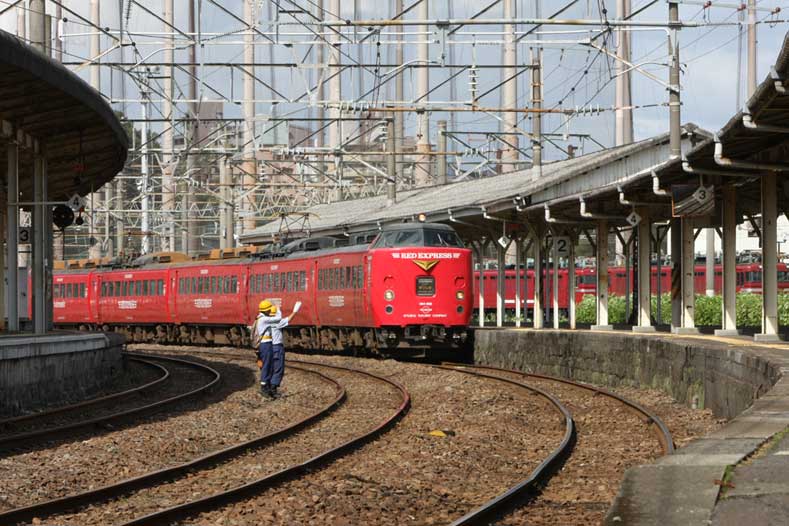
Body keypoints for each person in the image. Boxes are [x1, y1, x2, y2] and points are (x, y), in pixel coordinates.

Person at [251, 300, 301, 399]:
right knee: (271, 367)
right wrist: (294, 311)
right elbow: (279, 319)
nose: (270, 312)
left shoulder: (260, 318)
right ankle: (266, 387)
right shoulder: (265, 320)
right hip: (267, 345)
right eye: (269, 310)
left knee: (268, 367)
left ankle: (268, 387)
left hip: (267, 344)